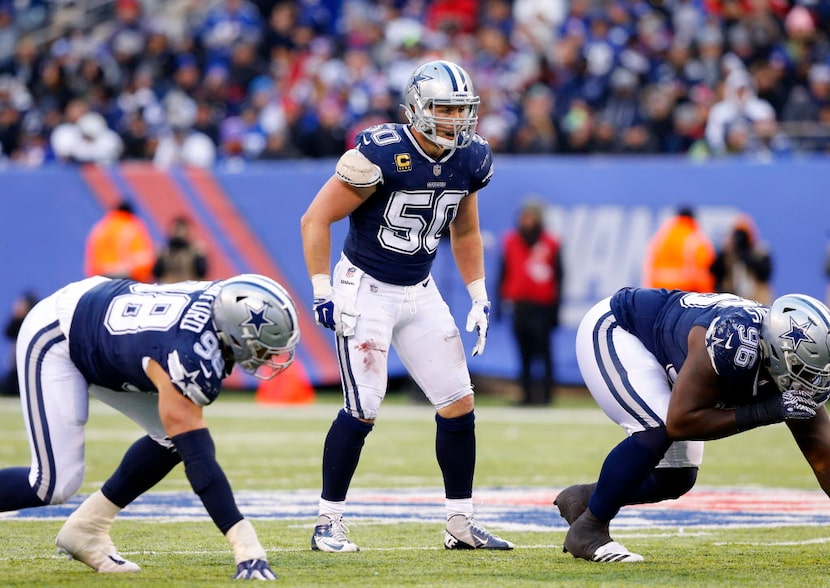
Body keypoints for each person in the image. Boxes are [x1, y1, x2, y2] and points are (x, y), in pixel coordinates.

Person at [299, 59, 514, 552]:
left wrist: (479, 295)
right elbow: (315, 220)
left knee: (459, 402)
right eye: (444, 108)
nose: (456, 120)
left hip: (420, 290)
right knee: (364, 407)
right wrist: (320, 288)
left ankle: (460, 523)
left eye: (463, 110)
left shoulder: (471, 157)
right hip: (365, 287)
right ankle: (327, 523)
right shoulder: (380, 152)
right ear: (417, 107)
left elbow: (464, 230)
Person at [0, 273, 300, 579]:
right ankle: (86, 528)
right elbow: (199, 459)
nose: (269, 357)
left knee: (171, 437)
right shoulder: (188, 352)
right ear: (235, 333)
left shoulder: (220, 303)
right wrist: (246, 547)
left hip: (104, 323)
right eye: (262, 346)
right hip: (61, 335)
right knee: (52, 483)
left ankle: (87, 529)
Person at [554, 288, 830, 562]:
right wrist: (768, 411)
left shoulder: (779, 358)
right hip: (620, 329)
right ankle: (589, 530)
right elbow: (681, 422)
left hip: (668, 356)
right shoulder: (732, 340)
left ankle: (586, 499)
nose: (813, 384)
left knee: (676, 476)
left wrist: (776, 407)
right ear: (778, 352)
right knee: (657, 427)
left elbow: (824, 455)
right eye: (805, 371)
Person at [496, 199, 563, 405]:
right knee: (523, 353)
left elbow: (559, 276)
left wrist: (555, 308)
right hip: (519, 305)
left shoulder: (550, 243)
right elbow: (503, 272)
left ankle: (547, 395)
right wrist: (498, 301)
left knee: (544, 352)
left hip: (542, 306)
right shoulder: (510, 242)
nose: (526, 222)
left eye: (531, 217)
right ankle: (526, 395)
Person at [642, 206, 715, 293]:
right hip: (686, 290)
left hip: (659, 290)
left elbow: (651, 264)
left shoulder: (662, 238)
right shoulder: (694, 239)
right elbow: (706, 270)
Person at [84, 200, 156, 283]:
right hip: (125, 278)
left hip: (100, 278)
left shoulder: (100, 228)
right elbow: (142, 258)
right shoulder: (132, 227)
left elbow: (92, 257)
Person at [710, 215, 773, 304]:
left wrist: (747, 258)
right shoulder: (728, 255)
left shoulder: (760, 253)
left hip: (757, 301)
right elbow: (714, 271)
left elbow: (765, 274)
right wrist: (725, 252)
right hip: (732, 302)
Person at [0, 289, 38, 396]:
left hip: (29, 372)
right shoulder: (16, 323)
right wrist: (16, 317)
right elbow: (7, 332)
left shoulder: (32, 323)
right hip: (15, 372)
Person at [152, 216, 209, 283]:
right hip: (169, 289)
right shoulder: (165, 251)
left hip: (189, 290)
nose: (177, 232)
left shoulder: (194, 251)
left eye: (180, 229)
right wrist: (159, 258)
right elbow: (156, 274)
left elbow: (202, 273)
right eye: (175, 229)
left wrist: (200, 257)